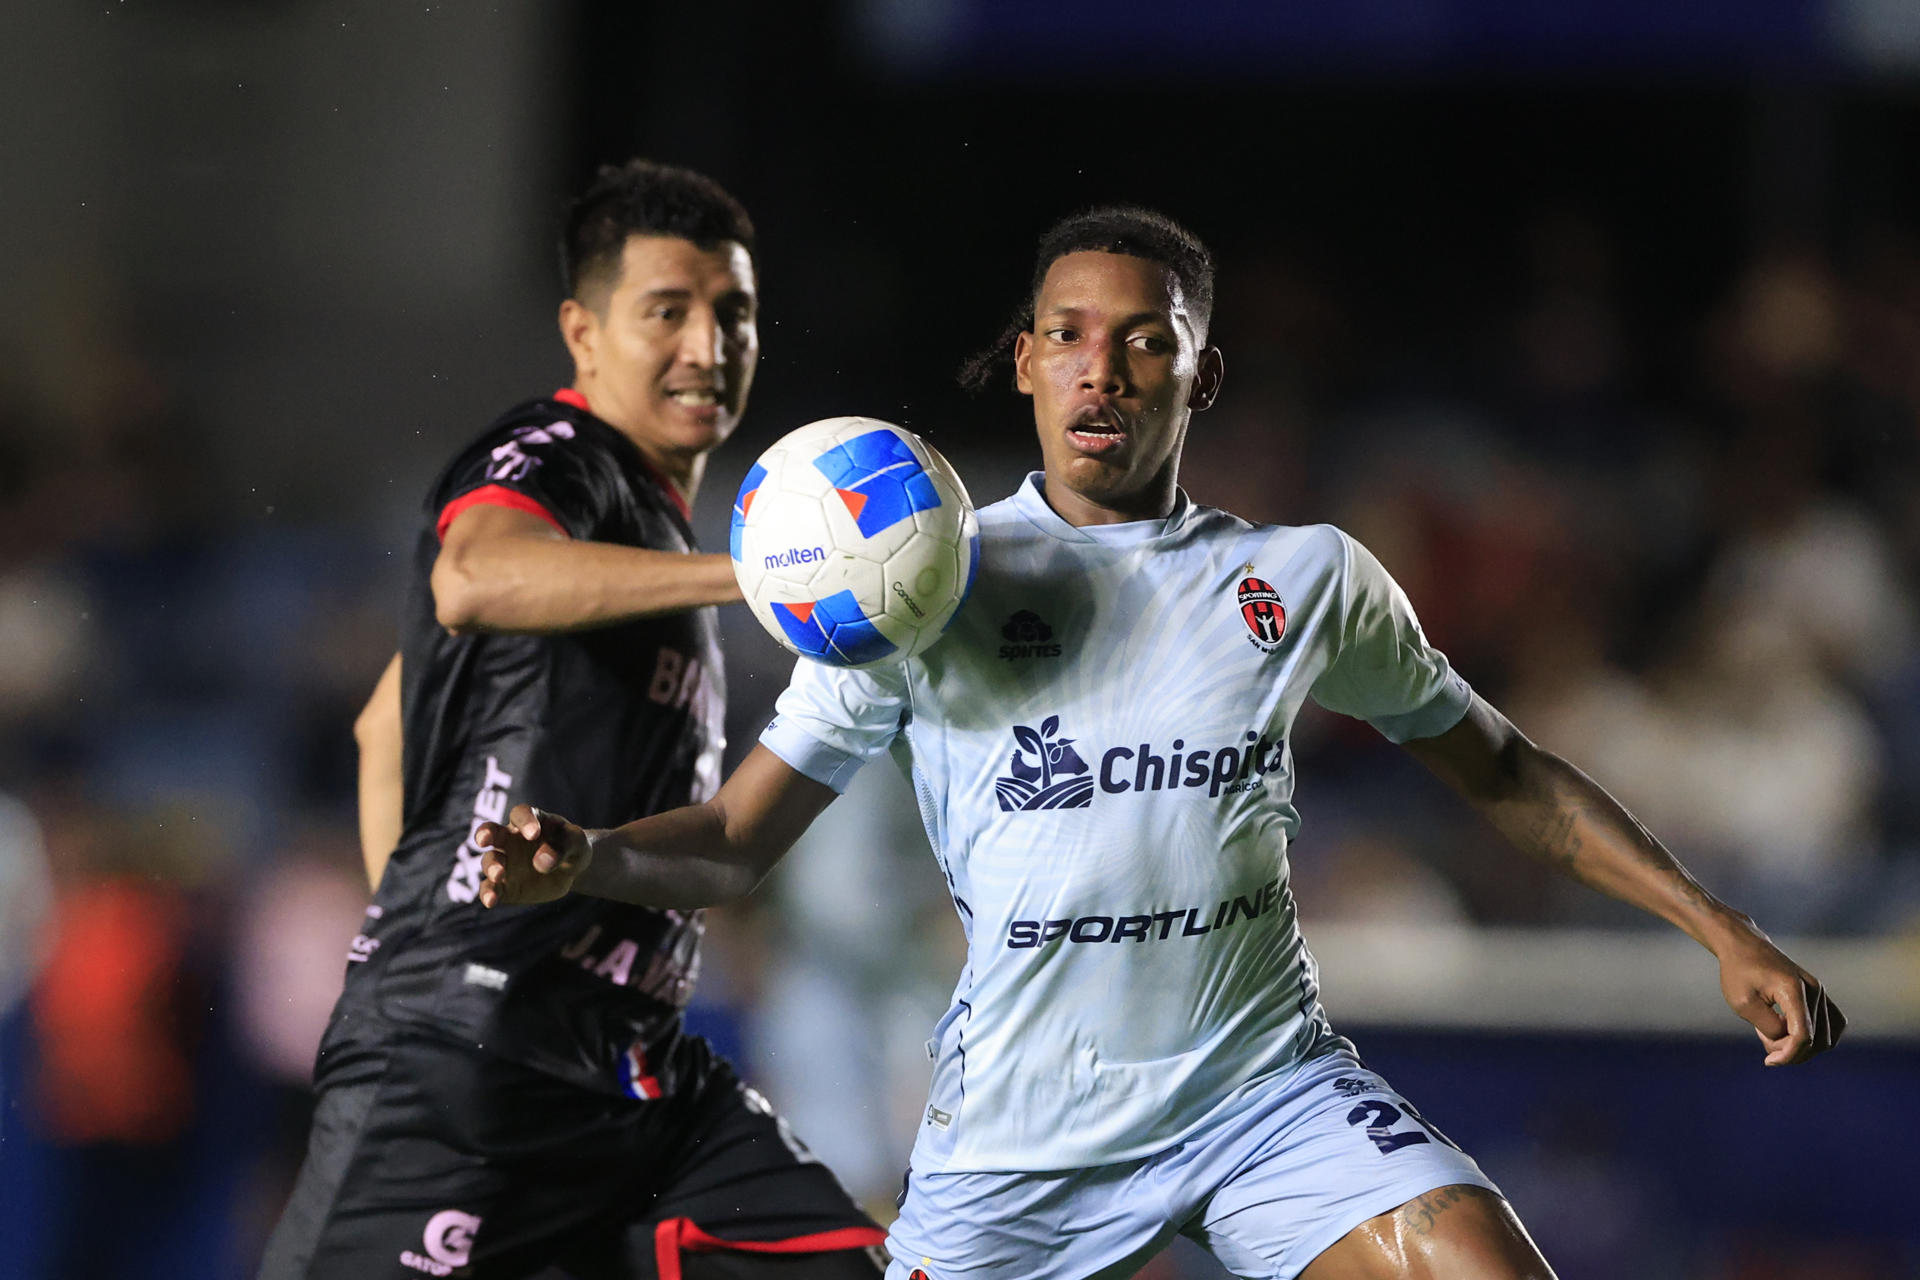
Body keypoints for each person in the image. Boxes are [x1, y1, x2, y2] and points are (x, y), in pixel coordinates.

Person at [475, 207, 1845, 1280]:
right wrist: (582, 857)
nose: (1103, 368)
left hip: (1263, 1092)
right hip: (1022, 1143)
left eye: (1145, 340)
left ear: (1203, 374)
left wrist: (1715, 924)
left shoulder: (1304, 579)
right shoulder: (914, 583)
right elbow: (731, 846)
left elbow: (1505, 770)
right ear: (1024, 360)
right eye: (1068, 334)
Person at [260, 159, 887, 1280]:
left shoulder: (648, 524)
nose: (709, 345)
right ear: (582, 331)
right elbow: (476, 574)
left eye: (733, 312)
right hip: (476, 1081)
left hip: (641, 1085)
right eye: (669, 311)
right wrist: (438, 965)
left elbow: (379, 727)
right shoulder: (559, 460)